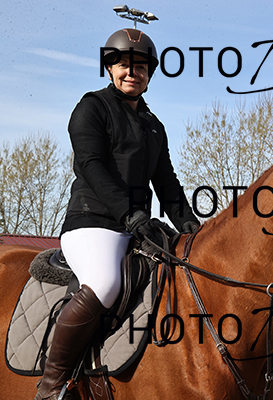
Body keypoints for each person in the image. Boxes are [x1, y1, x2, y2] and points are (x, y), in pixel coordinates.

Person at [34, 28, 200, 400]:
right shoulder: (92, 108)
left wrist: (191, 227)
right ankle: (51, 386)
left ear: (149, 73)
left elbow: (167, 184)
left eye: (140, 67)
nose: (131, 72)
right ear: (109, 68)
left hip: (136, 229)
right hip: (92, 224)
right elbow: (92, 167)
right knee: (105, 283)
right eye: (123, 64)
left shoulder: (154, 126)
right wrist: (130, 214)